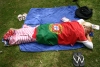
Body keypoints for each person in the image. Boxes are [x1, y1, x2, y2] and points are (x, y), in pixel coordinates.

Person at [2, 17, 99, 49]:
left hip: (49, 27)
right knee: (31, 37)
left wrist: (91, 27)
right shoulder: (82, 35)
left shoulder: (77, 23)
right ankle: (10, 40)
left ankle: (15, 31)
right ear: (86, 29)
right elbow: (91, 45)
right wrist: (87, 35)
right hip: (51, 35)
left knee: (33, 30)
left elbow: (82, 20)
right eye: (89, 31)